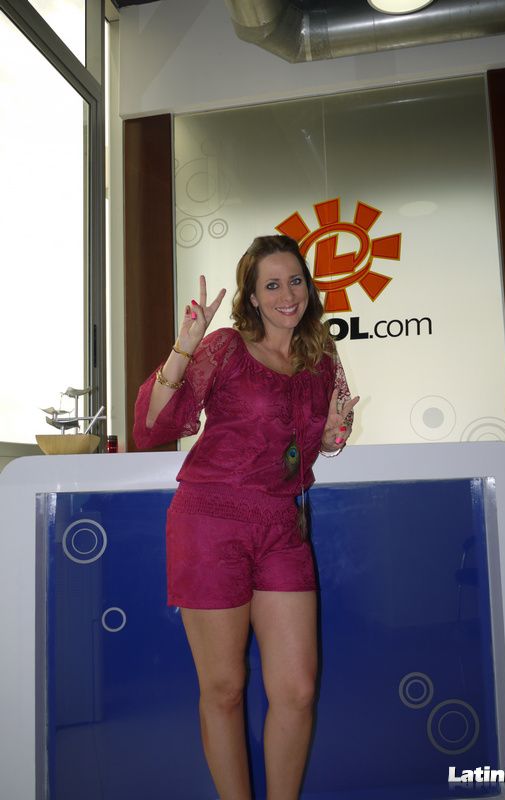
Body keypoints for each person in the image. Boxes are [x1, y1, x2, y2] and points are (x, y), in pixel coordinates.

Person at [133, 234, 358, 800]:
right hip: (210, 522)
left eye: (295, 281)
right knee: (225, 687)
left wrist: (333, 433)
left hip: (282, 526)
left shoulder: (322, 358)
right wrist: (185, 346)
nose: (288, 295)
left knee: (297, 690)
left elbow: (311, 446)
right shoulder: (227, 347)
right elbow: (154, 428)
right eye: (272, 285)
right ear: (253, 297)